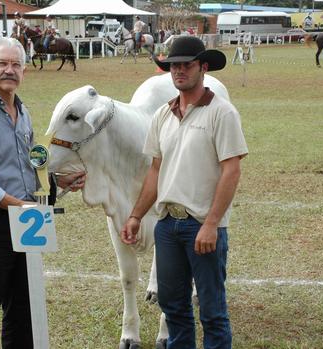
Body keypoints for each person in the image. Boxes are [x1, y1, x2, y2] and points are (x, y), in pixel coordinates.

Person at [0, 37, 86, 348]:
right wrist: (20, 206)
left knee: (23, 313)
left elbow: (29, 163)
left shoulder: (22, 112)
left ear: (24, 71)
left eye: (16, 65)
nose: (9, 70)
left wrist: (58, 181)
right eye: (2, 64)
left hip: (23, 223)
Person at [120, 36, 248, 349]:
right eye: (174, 66)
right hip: (167, 226)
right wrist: (136, 215)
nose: (179, 71)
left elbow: (231, 171)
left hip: (202, 225)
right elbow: (155, 170)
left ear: (203, 67)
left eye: (186, 65)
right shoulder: (162, 115)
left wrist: (211, 223)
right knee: (174, 308)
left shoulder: (222, 113)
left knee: (212, 311)